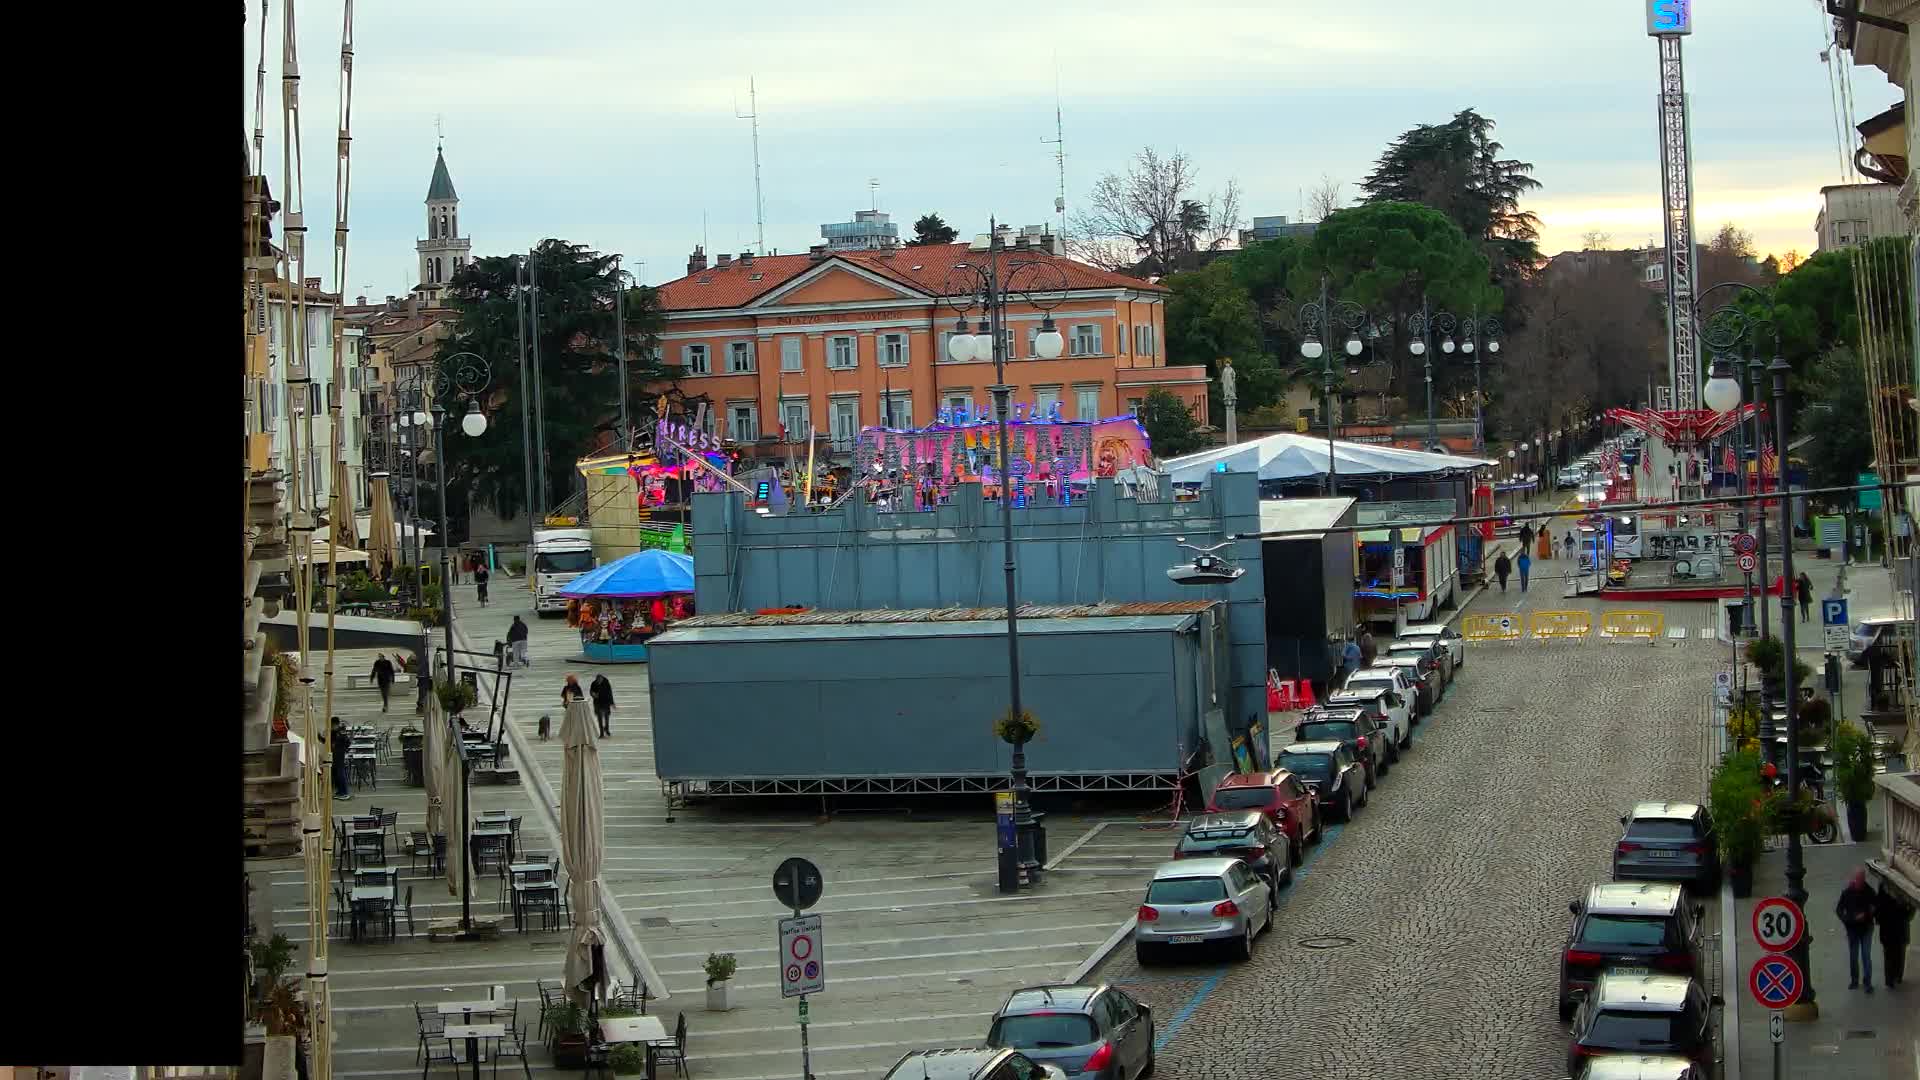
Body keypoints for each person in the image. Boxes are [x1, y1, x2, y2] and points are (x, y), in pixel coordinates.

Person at [1838, 868, 1879, 991]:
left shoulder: (1870, 892)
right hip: (1852, 929)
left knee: (1866, 955)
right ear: (1854, 880)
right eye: (1858, 880)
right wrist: (1847, 919)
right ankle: (1854, 980)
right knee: (1853, 956)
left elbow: (1875, 907)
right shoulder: (1847, 893)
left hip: (1866, 928)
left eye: (1862, 879)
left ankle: (1867, 982)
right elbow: (1839, 909)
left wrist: (1866, 914)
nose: (1860, 882)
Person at [1877, 880, 1914, 987]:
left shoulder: (1884, 886)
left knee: (1893, 954)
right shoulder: (1902, 887)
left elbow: (1879, 905)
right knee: (1896, 954)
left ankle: (1892, 978)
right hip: (1895, 927)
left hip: (1892, 927)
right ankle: (1894, 977)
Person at [329, 716, 352, 801]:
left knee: (341, 775)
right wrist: (320, 737)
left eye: (332, 725)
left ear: (336, 724)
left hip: (339, 756)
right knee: (336, 775)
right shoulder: (333, 732)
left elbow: (348, 743)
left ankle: (345, 792)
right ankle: (339, 791)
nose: (331, 726)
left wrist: (342, 748)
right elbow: (327, 741)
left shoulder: (341, 732)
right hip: (334, 756)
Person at [589, 673, 615, 738]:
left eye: (600, 681)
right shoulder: (594, 683)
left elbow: (610, 693)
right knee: (599, 718)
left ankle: (607, 729)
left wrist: (612, 703)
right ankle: (601, 733)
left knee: (606, 718)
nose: (599, 682)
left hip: (606, 703)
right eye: (598, 681)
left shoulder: (606, 683)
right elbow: (591, 691)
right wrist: (593, 695)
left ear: (602, 679)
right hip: (597, 703)